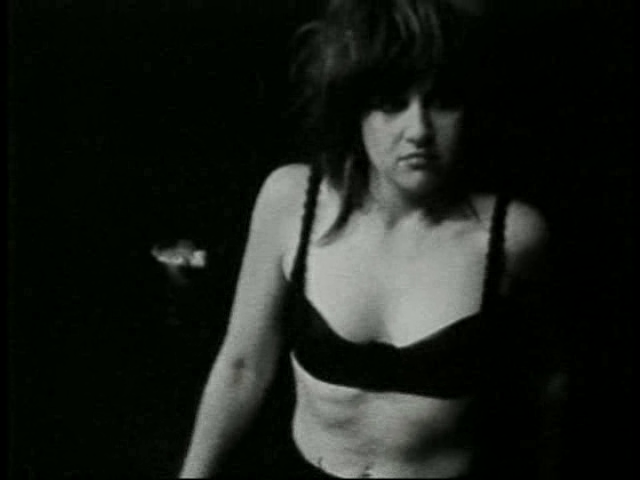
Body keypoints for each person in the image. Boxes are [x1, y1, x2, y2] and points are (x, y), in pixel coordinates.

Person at [179, 0, 566, 478]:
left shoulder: (513, 235)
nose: (419, 130)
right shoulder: (291, 201)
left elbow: (548, 384)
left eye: (442, 101)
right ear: (355, 110)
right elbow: (242, 366)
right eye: (391, 103)